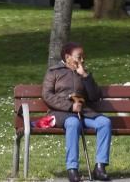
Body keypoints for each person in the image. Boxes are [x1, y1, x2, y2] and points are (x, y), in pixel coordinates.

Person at [42, 42, 112, 182]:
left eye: (83, 57)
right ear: (68, 57)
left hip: (84, 112)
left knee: (105, 122)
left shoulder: (82, 72)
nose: (82, 60)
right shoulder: (54, 71)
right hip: (61, 113)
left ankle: (100, 167)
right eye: (79, 57)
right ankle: (72, 169)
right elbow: (47, 95)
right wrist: (69, 107)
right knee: (73, 123)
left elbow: (94, 96)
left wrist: (85, 76)